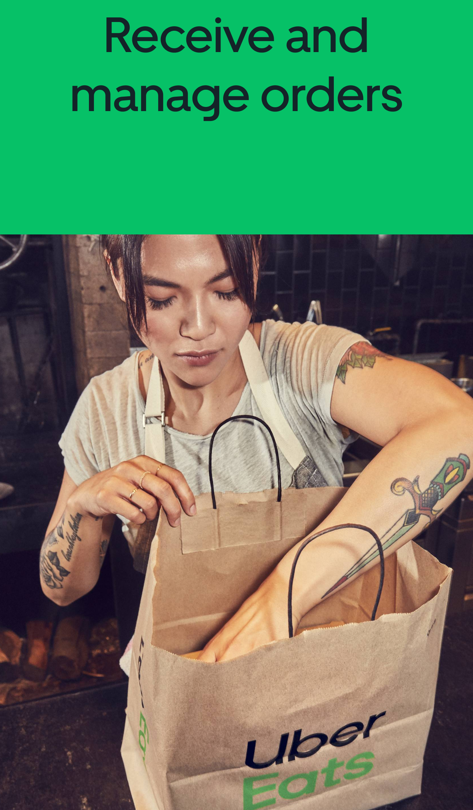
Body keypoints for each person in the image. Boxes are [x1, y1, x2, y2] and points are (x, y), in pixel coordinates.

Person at [40, 235, 473, 662]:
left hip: (322, 670)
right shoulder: (105, 409)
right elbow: (62, 591)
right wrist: (83, 507)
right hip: (187, 681)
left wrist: (282, 596)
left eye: (226, 291)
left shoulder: (304, 362)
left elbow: (459, 423)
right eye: (162, 299)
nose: (199, 327)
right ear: (118, 274)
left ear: (254, 257)